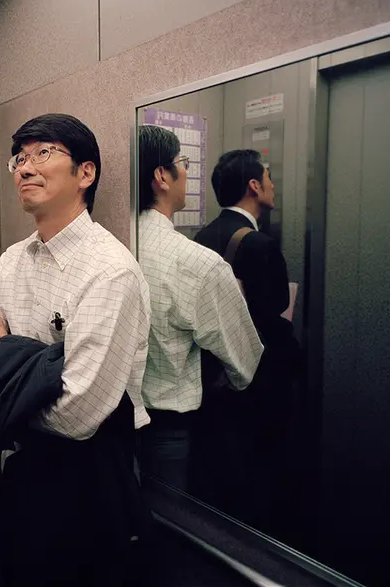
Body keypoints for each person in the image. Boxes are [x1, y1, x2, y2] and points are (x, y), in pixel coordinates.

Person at [0, 113, 152, 586]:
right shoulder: (12, 261)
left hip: (92, 475)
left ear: (86, 173)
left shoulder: (109, 271)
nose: (25, 168)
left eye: (43, 153)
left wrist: (5, 361)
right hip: (23, 469)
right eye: (19, 158)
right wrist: (40, 365)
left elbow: (78, 413)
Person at [136, 125, 263, 492]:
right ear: (162, 176)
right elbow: (245, 363)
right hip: (170, 432)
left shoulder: (115, 243)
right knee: (171, 520)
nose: (188, 173)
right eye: (184, 163)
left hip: (114, 425)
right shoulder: (198, 264)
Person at [194, 149, 302, 527]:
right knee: (262, 468)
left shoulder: (202, 236)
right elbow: (276, 310)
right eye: (268, 177)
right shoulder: (260, 245)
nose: (273, 184)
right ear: (254, 186)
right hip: (260, 379)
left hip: (214, 378)